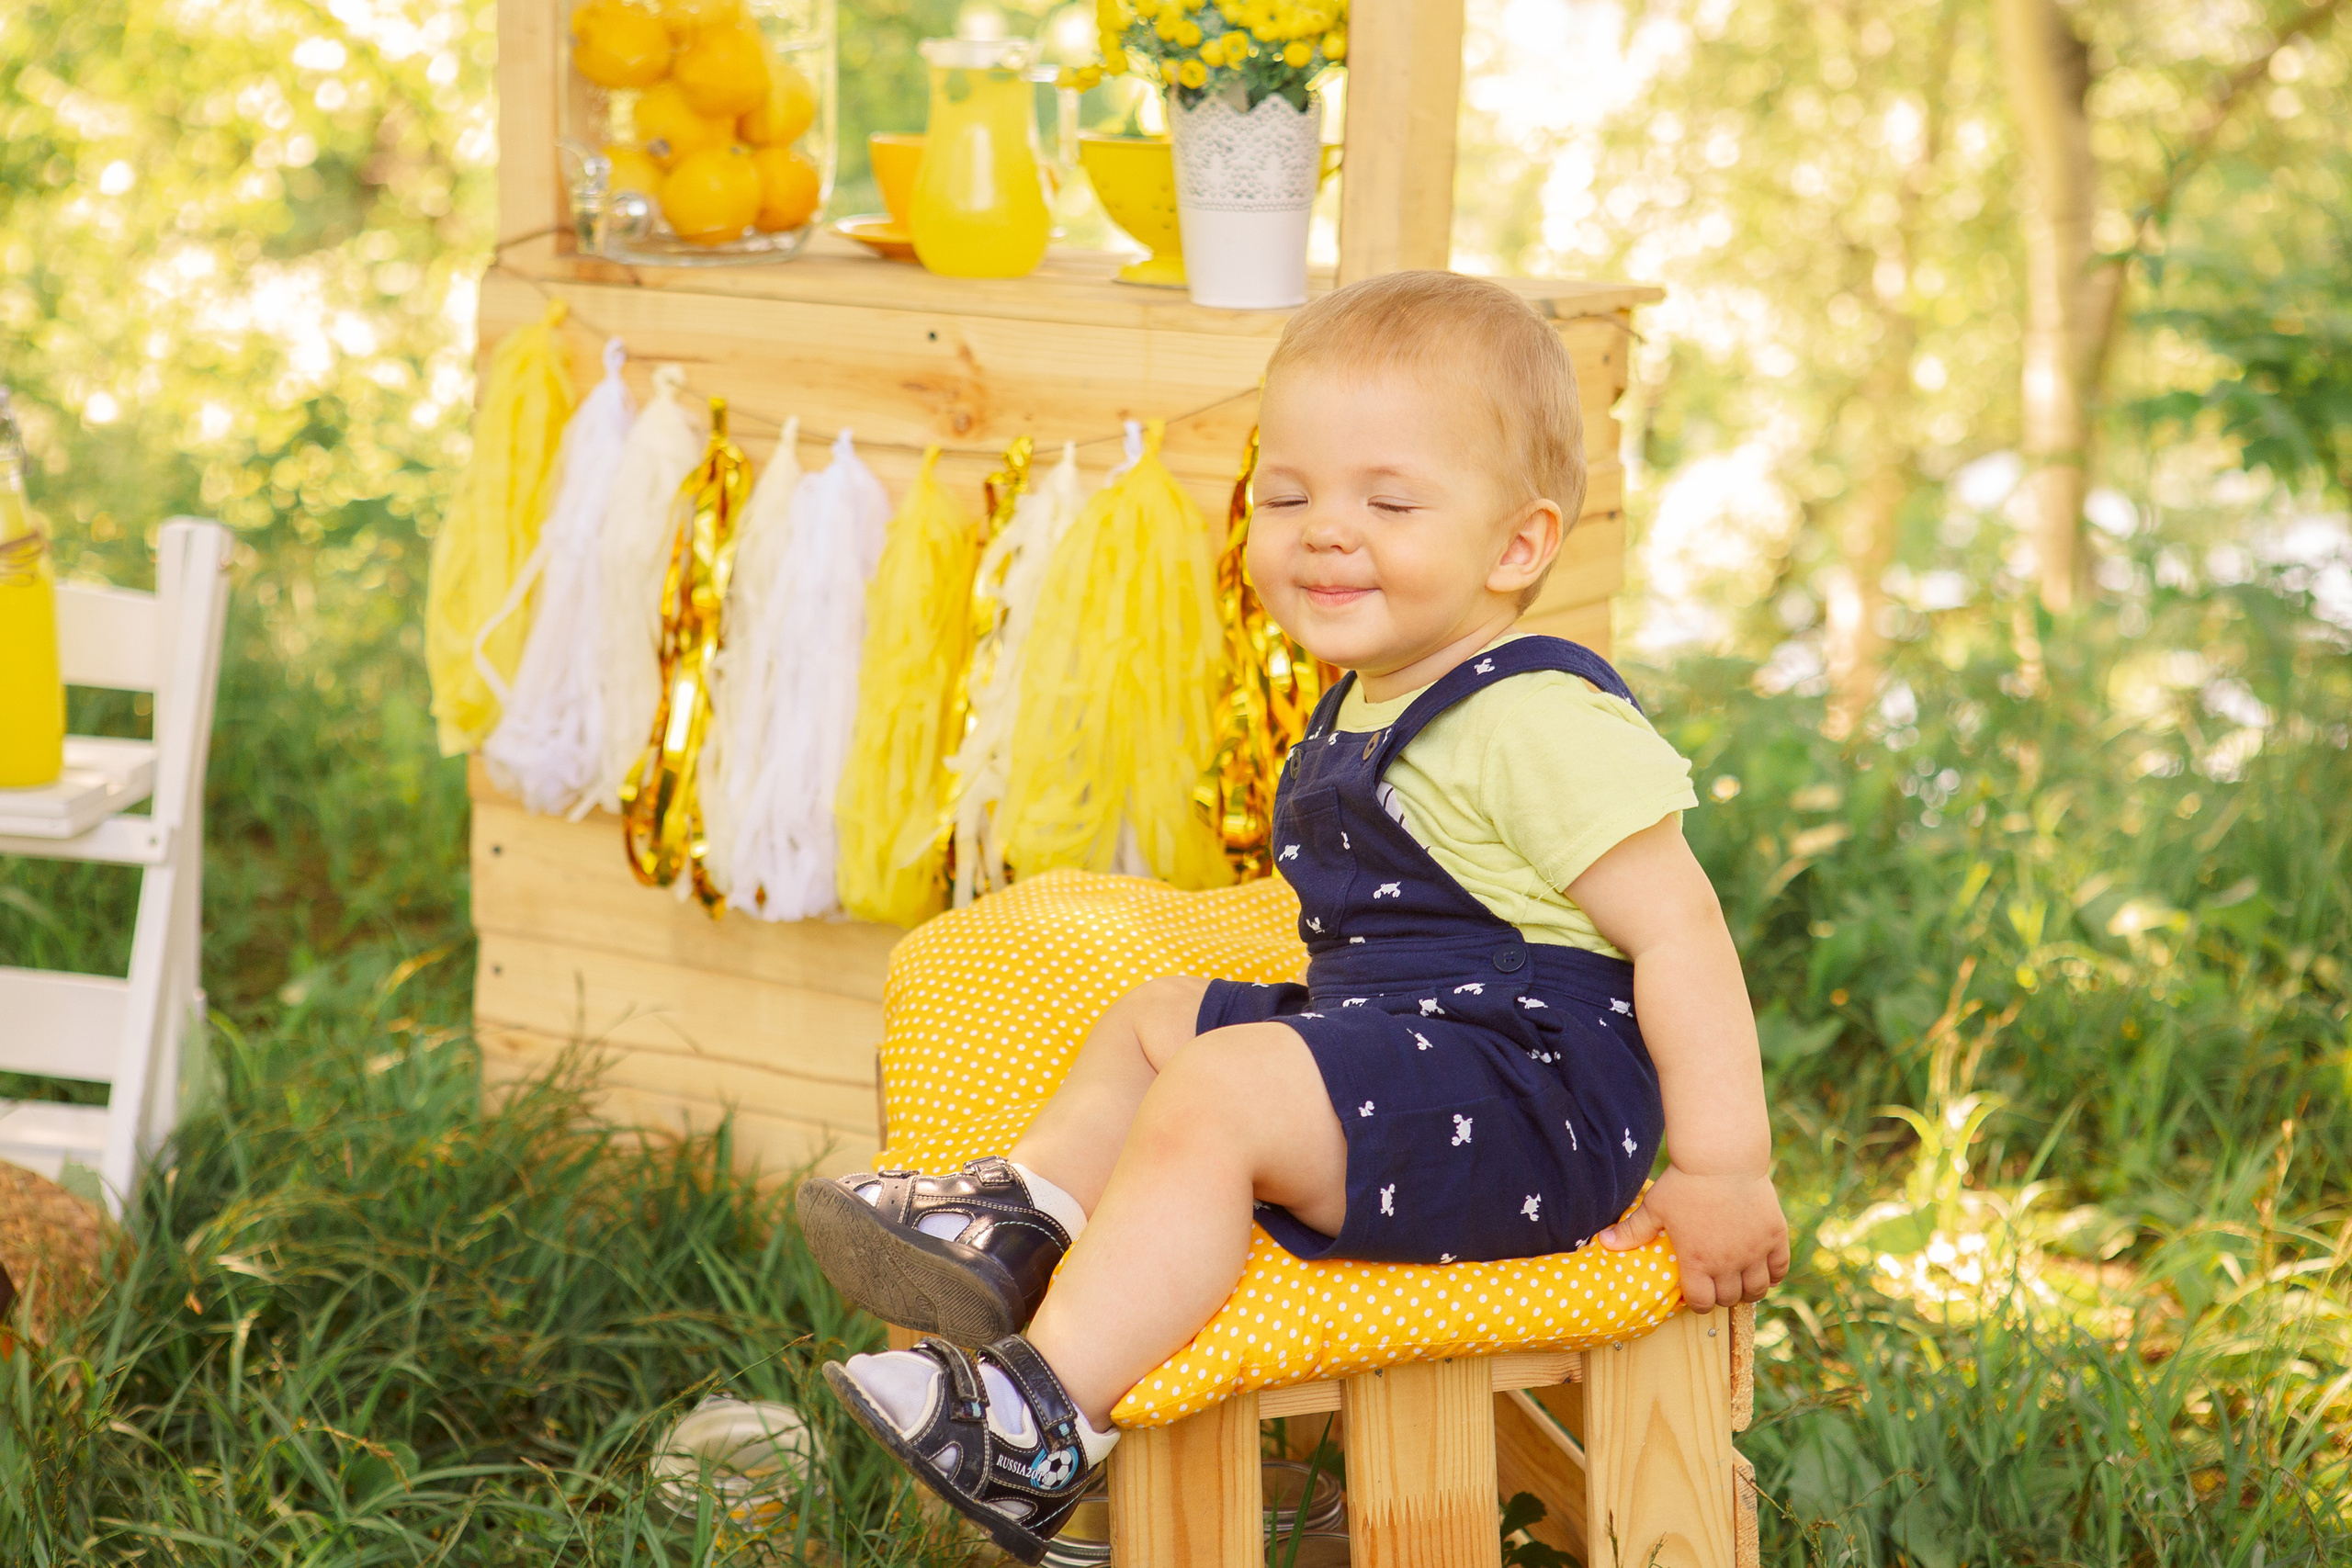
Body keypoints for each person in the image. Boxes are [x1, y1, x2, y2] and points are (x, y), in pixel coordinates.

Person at [794, 270, 1789, 1563]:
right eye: (1288, 494)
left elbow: (1682, 935)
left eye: (1387, 500)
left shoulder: (1534, 717)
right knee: (1161, 1020)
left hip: (1531, 1109)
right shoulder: (1375, 694)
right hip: (1421, 1061)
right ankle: (1022, 1224)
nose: (1326, 530)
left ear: (1517, 546)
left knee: (1223, 1090)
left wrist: (1723, 1173)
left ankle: (1040, 1423)